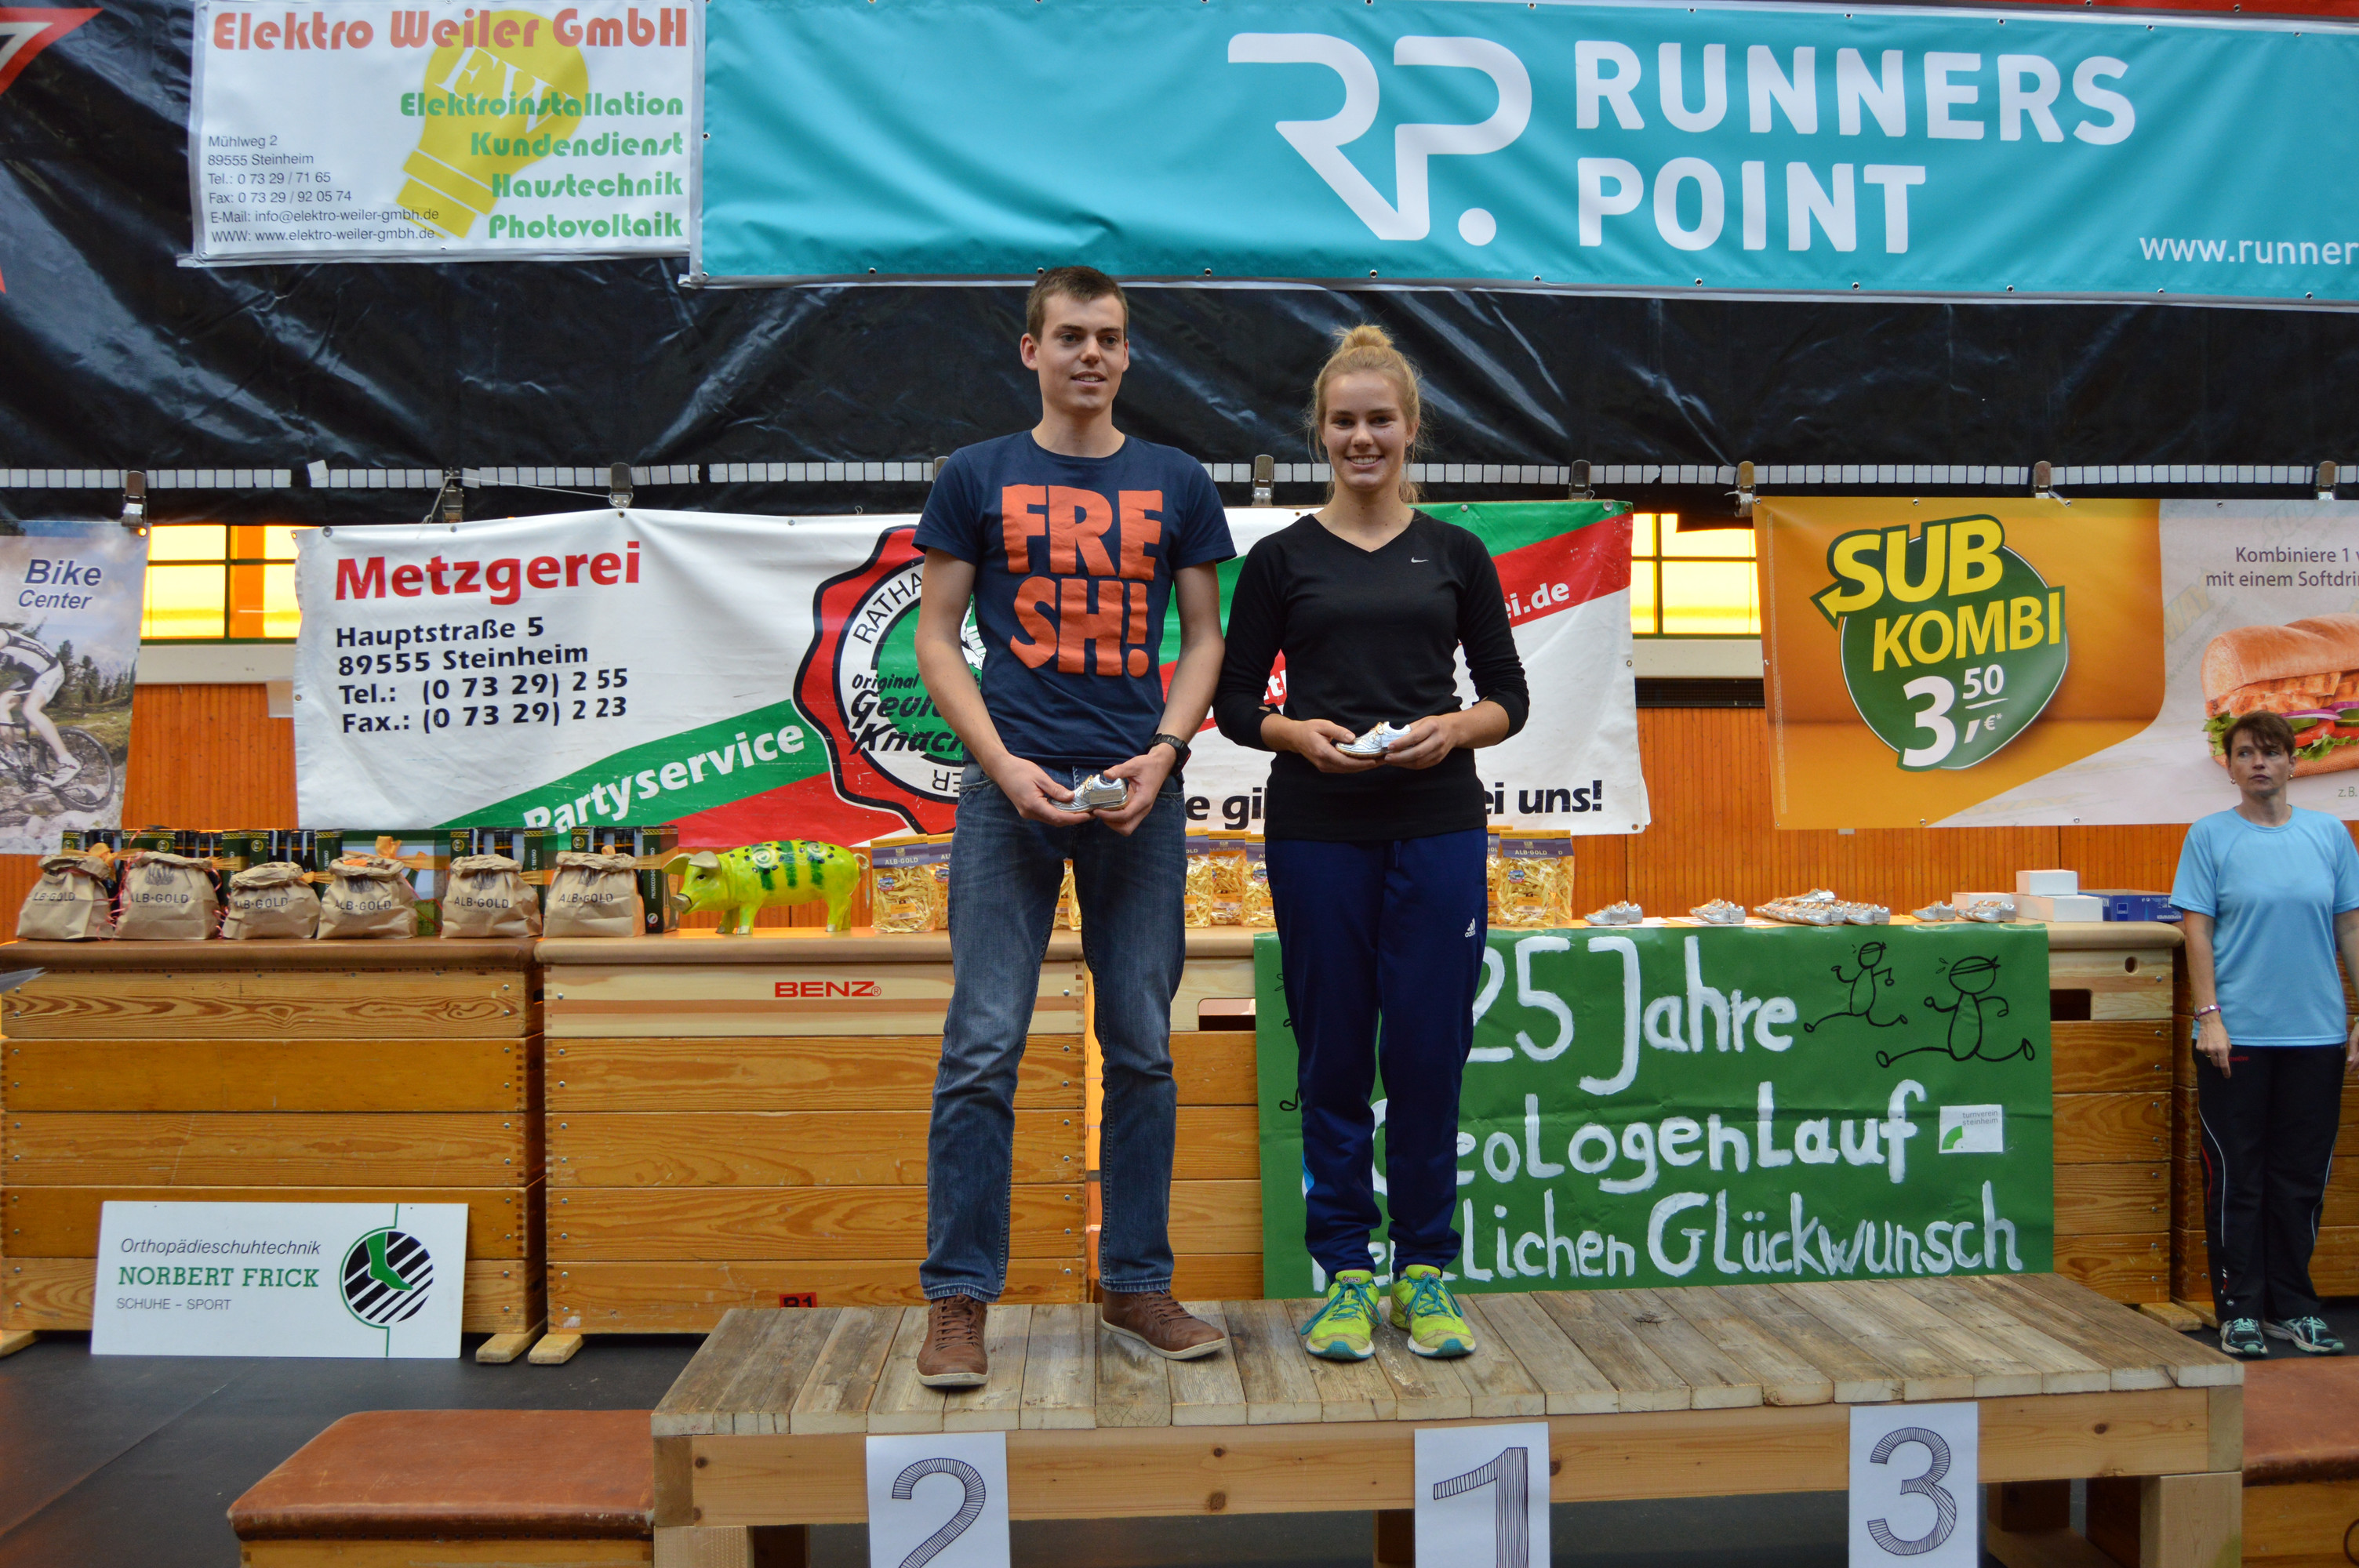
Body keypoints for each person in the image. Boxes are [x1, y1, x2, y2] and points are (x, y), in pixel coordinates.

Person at [909, 266, 1235, 1385]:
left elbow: (1205, 639)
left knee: (1141, 1047)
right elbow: (937, 637)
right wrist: (1001, 764)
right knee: (982, 1046)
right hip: (1008, 796)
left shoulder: (1176, 480)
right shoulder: (976, 473)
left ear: (1128, 354)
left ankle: (1136, 1283)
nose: (1089, 353)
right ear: (1031, 350)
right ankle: (958, 1299)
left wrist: (1167, 752)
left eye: (1107, 337)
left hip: (1137, 796)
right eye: (1069, 336)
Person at [1211, 324, 1528, 1362]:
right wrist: (1295, 733)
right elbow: (1233, 703)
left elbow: (1508, 696)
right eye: (1343, 422)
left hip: (1436, 828)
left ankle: (1424, 1270)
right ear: (1319, 432)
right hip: (1318, 832)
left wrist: (1456, 728)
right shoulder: (1280, 559)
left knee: (1428, 1056)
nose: (1362, 438)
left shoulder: (1457, 553)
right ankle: (1346, 1271)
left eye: (1379, 420)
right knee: (1335, 1056)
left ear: (1410, 427)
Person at [2174, 707, 2359, 1358]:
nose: (2259, 763)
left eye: (2271, 752)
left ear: (2293, 763)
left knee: (2300, 1178)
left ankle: (2294, 1308)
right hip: (2236, 1037)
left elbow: (2350, 927)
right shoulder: (2209, 837)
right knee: (2237, 1177)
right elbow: (2196, 930)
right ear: (2229, 768)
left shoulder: (2329, 835)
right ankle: (2240, 1310)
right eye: (2246, 753)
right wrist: (2209, 1016)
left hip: (2316, 1036)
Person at [0, 626, 78, 786]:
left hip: (51, 670)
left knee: (30, 709)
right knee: (1, 703)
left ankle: (68, 761)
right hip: (34, 677)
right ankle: (12, 756)